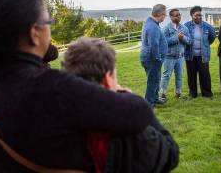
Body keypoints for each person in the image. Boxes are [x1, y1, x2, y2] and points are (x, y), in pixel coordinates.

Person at [0, 0, 153, 172]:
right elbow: (140, 112)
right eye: (49, 21)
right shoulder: (55, 88)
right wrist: (117, 90)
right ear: (34, 33)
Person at [62, 37, 179, 173]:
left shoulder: (51, 124)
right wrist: (132, 103)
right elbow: (170, 153)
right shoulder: (129, 129)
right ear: (108, 79)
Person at [184, 6, 216, 99]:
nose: (199, 17)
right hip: (190, 56)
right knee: (191, 75)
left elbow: (212, 37)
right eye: (196, 15)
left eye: (200, 15)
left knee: (205, 75)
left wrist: (205, 45)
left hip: (203, 56)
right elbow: (184, 39)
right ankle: (193, 94)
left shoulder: (207, 26)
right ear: (191, 15)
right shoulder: (186, 26)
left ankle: (207, 93)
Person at [160, 9, 191, 101]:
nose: (179, 17)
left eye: (179, 15)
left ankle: (178, 94)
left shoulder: (184, 28)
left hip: (180, 57)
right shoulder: (165, 29)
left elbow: (189, 41)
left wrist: (183, 38)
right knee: (166, 76)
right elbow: (164, 42)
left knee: (179, 76)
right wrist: (176, 38)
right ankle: (163, 95)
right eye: (176, 15)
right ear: (171, 17)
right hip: (169, 57)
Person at [140, 4, 168, 107]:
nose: (165, 17)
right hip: (152, 59)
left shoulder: (150, 22)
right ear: (159, 14)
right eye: (164, 15)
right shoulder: (152, 26)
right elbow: (153, 45)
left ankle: (155, 99)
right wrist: (158, 58)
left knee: (156, 79)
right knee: (152, 81)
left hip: (150, 58)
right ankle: (149, 103)